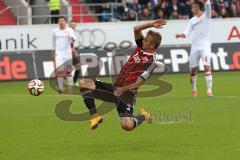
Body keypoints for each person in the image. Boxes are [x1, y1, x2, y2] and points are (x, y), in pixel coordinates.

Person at [79, 19, 166, 130]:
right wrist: (151, 24)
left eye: (147, 39)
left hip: (127, 94)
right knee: (84, 83)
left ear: (152, 44)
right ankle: (95, 116)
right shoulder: (140, 47)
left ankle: (142, 116)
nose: (143, 39)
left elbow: (139, 82)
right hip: (116, 88)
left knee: (127, 126)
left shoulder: (151, 61)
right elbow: (136, 29)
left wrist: (124, 89)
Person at [176, 0, 213, 97]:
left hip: (205, 46)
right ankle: (194, 89)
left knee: (207, 66)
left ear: (197, 8)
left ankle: (209, 91)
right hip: (195, 48)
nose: (191, 9)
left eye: (193, 7)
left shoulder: (206, 16)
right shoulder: (192, 20)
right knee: (193, 70)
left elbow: (208, 6)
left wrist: (206, 1)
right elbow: (187, 32)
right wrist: (181, 35)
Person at [52, 16, 76, 94]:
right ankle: (60, 88)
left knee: (69, 72)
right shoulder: (55, 31)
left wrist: (72, 39)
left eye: (62, 21)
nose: (61, 22)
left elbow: (73, 37)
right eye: (59, 21)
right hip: (58, 54)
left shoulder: (69, 30)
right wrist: (53, 52)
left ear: (65, 22)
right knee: (60, 71)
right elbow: (53, 43)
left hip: (68, 54)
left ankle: (70, 88)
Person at [69, 20, 81, 86]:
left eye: (74, 25)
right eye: (72, 25)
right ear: (69, 25)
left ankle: (73, 82)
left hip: (73, 52)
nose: (73, 26)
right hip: (68, 53)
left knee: (78, 66)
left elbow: (72, 44)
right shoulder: (68, 33)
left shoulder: (72, 33)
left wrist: (74, 50)